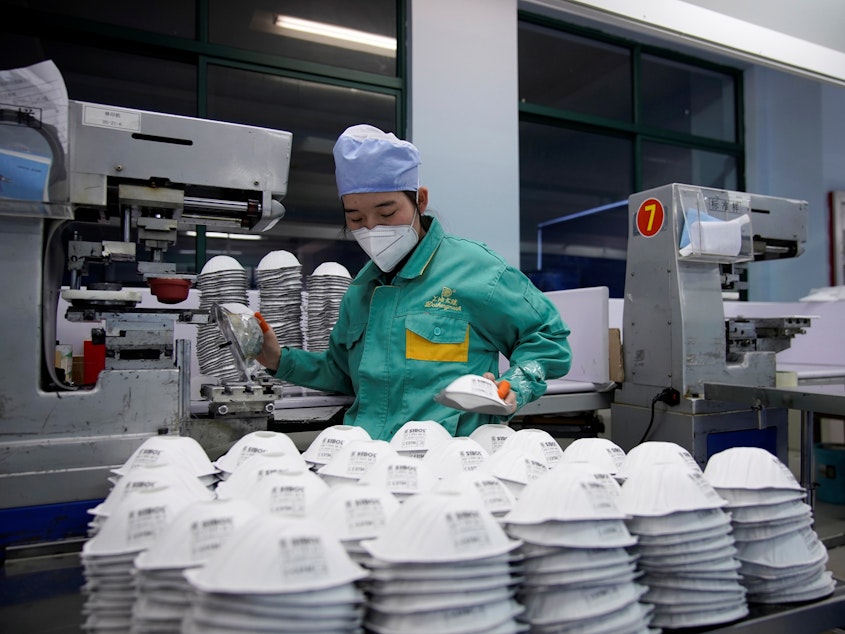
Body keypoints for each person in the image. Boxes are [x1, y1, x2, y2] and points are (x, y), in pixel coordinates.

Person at [256, 124, 571, 441]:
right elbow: (342, 373)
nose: (371, 228)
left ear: (420, 200)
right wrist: (279, 359)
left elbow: (547, 340)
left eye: (387, 212)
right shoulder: (360, 291)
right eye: (355, 218)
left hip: (450, 461)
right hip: (369, 456)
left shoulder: (476, 271)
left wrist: (514, 385)